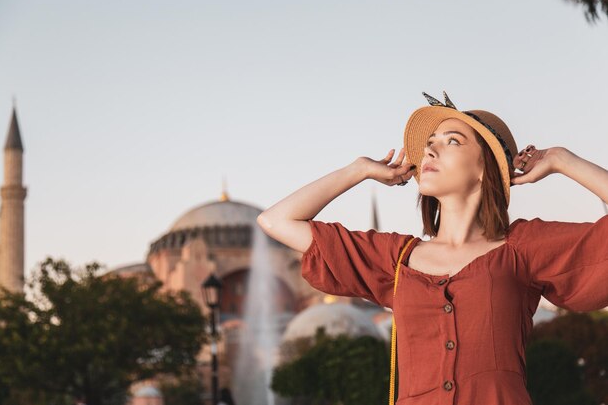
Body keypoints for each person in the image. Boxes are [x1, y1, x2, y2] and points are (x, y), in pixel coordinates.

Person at [256, 91, 608, 405]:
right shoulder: (396, 259)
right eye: (430, 142)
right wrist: (359, 170)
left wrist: (563, 160)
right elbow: (276, 221)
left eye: (452, 141)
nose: (430, 148)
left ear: (485, 168)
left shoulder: (522, 248)